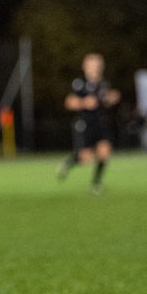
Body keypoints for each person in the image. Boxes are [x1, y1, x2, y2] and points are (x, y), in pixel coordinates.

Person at [56, 53, 121, 193]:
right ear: (85, 67)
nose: (95, 67)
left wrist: (112, 98)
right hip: (85, 123)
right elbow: (69, 102)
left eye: (98, 65)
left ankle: (96, 184)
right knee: (86, 157)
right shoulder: (79, 83)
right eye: (92, 65)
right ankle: (69, 162)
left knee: (104, 151)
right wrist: (84, 102)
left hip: (101, 122)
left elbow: (108, 99)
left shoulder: (104, 84)